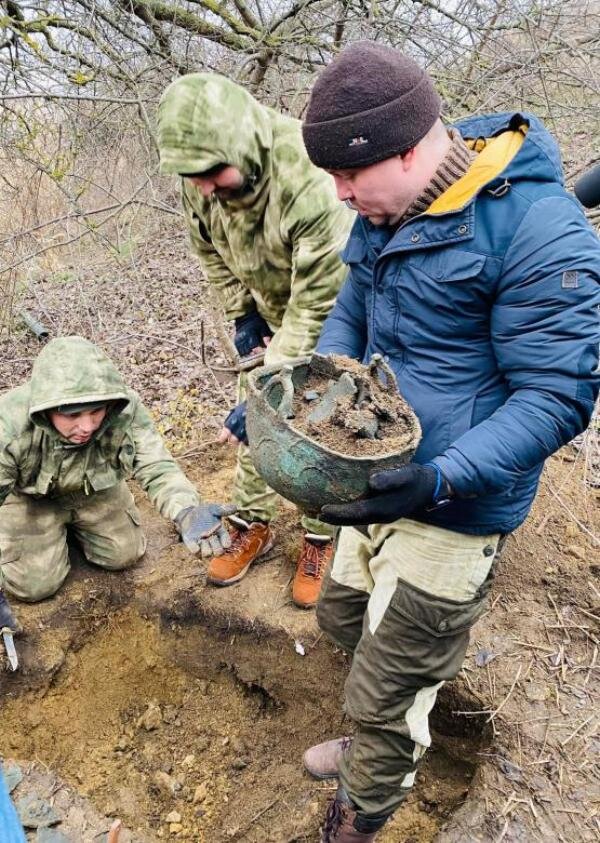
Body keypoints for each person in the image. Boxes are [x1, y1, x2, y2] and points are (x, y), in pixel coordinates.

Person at [298, 41, 600, 841]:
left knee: (392, 684)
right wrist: (319, 398)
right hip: (378, 471)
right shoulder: (384, 209)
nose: (339, 193)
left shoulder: (540, 230)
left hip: (455, 502)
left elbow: (556, 397)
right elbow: (352, 308)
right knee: (344, 619)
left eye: (348, 176)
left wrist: (437, 479)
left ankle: (361, 810)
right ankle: (372, 736)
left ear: (407, 150)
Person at [156, 73, 353, 609]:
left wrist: (268, 393)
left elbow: (317, 305)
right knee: (254, 433)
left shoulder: (308, 177)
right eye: (192, 177)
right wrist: (241, 313)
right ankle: (253, 522)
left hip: (331, 319)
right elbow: (209, 250)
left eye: (211, 174)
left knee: (320, 424)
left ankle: (319, 535)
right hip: (268, 315)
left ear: (240, 146)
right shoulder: (200, 176)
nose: (202, 187)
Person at [0, 336, 235, 620]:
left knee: (125, 554)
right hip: (31, 499)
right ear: (46, 409)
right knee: (35, 587)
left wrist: (186, 510)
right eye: (73, 415)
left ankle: (71, 534)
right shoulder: (9, 423)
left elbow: (156, 464)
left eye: (96, 412)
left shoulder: (123, 409)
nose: (87, 426)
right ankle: (50, 539)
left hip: (93, 488)